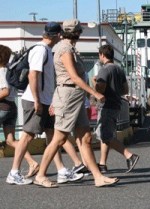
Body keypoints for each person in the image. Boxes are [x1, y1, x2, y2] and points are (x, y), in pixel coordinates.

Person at [34, 19, 118, 188]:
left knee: (85, 137)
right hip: (68, 96)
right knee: (59, 138)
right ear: (78, 32)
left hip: (75, 96)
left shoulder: (68, 47)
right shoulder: (65, 49)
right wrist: (94, 93)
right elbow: (73, 77)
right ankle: (41, 175)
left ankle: (97, 177)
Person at [6, 22, 85, 186]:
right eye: (61, 34)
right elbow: (33, 76)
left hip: (45, 100)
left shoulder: (47, 50)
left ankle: (62, 171)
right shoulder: (40, 50)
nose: (62, 37)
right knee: (27, 135)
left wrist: (50, 100)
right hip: (35, 100)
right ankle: (14, 172)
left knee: (52, 135)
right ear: (57, 35)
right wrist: (37, 100)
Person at [93, 44, 139, 173]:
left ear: (102, 55)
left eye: (99, 55)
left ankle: (129, 155)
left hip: (106, 105)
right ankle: (102, 164)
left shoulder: (104, 70)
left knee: (104, 135)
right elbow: (125, 90)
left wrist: (94, 82)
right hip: (116, 104)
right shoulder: (119, 69)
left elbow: (100, 89)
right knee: (106, 134)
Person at [0, 44, 40, 178]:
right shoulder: (10, 71)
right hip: (12, 107)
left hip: (2, 106)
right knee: (10, 141)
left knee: (11, 140)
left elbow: (5, 91)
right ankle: (32, 163)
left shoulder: (1, 71)